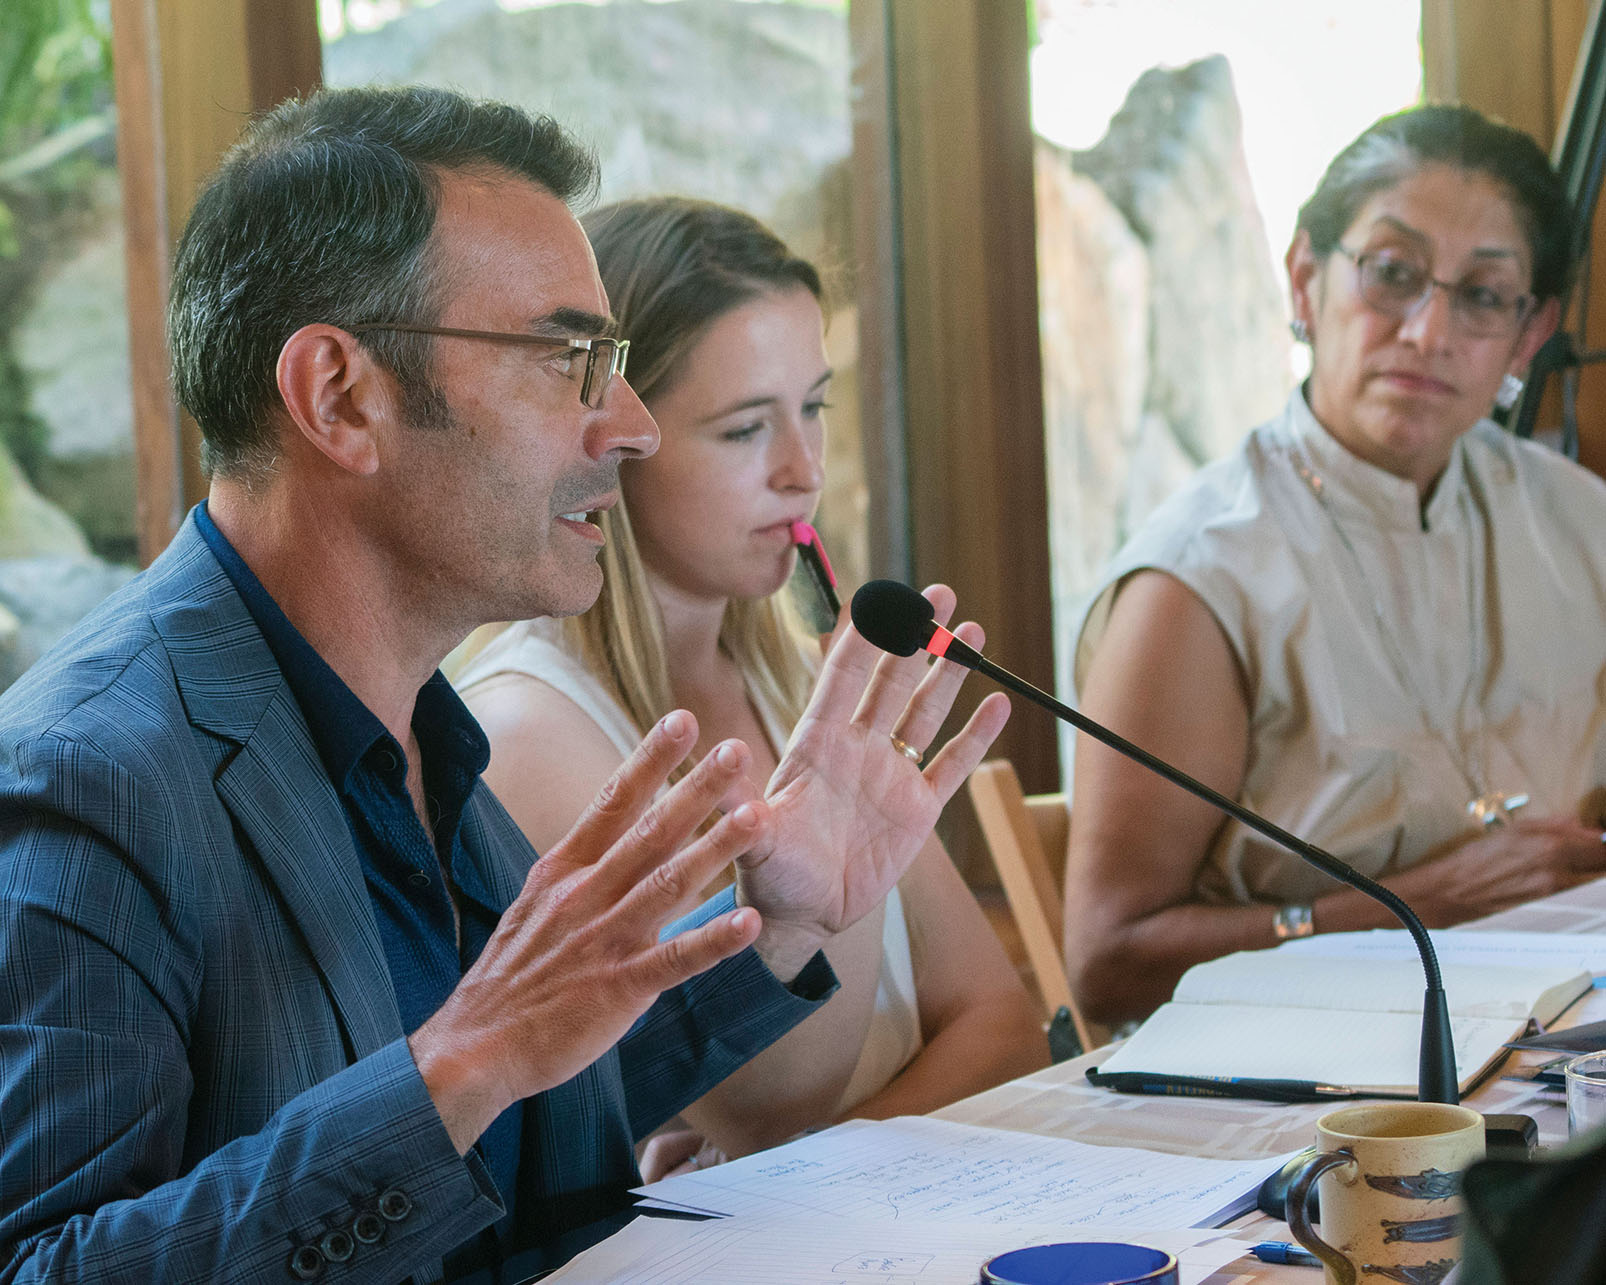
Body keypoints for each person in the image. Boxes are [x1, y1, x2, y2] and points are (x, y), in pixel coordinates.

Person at [0, 87, 1009, 1283]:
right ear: (340, 396)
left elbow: (514, 1118)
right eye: (570, 358)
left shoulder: (427, 733)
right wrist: (457, 1065)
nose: (628, 427)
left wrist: (778, 927)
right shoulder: (87, 772)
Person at [452, 197, 1045, 1174]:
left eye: (812, 407)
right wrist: (830, 1147)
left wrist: (810, 1162)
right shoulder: (529, 733)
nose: (802, 471)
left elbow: (1002, 1028)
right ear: (612, 438)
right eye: (741, 430)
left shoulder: (805, 680)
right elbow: (754, 1104)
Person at [1064, 103, 1606, 1027]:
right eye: (1393, 275)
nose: (1430, 331)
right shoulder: (1200, 578)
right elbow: (1109, 963)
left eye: (1481, 295)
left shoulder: (1581, 520)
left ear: (1528, 334)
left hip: (1556, 1045)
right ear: (1307, 281)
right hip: (1286, 1088)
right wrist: (1418, 908)